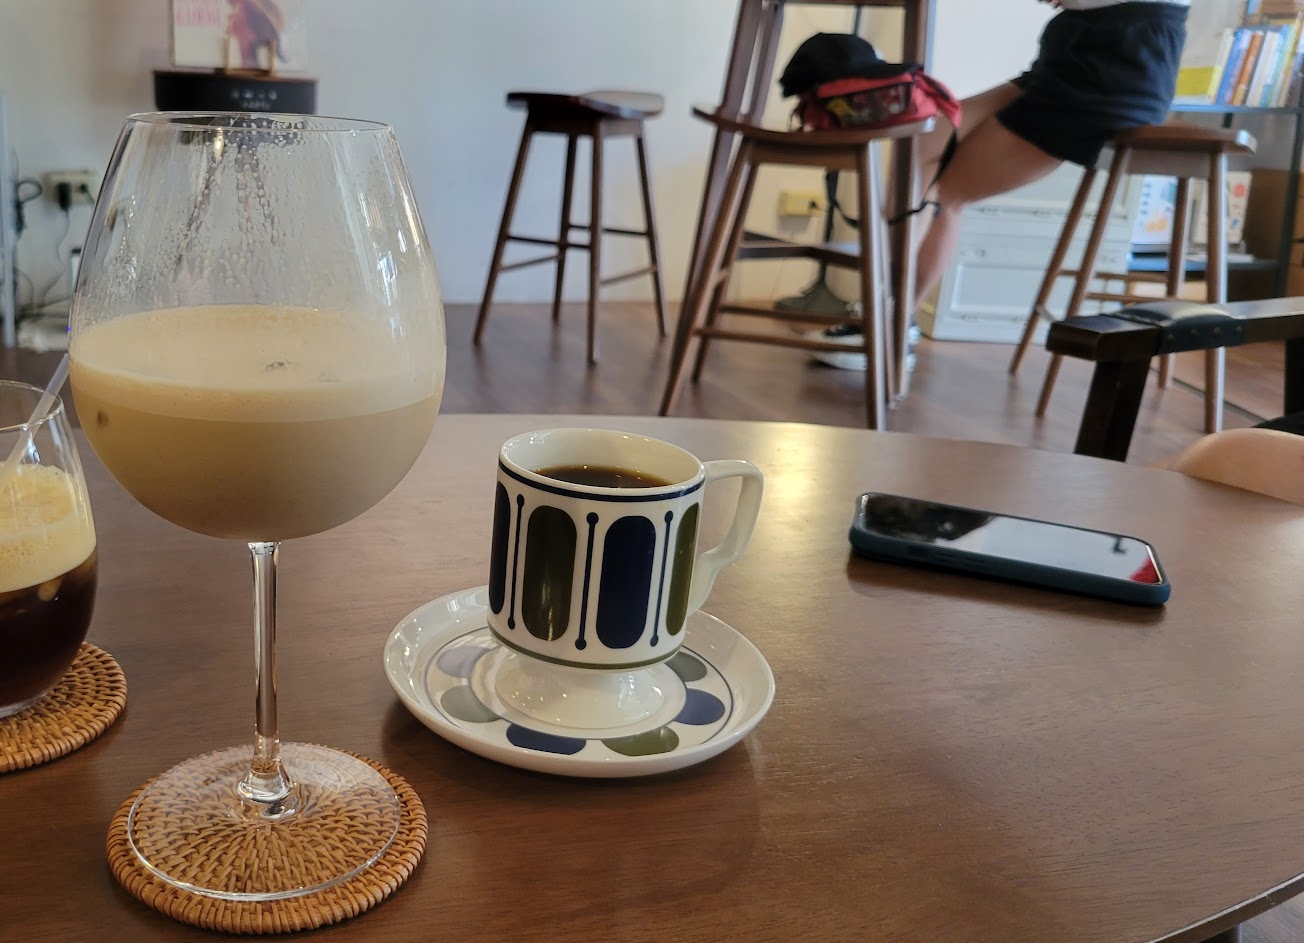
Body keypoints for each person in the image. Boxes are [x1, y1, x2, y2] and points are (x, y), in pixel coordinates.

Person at [812, 0, 1190, 368]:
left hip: (1113, 72)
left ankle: (889, 324)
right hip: (1071, 56)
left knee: (947, 193)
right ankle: (887, 311)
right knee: (922, 137)